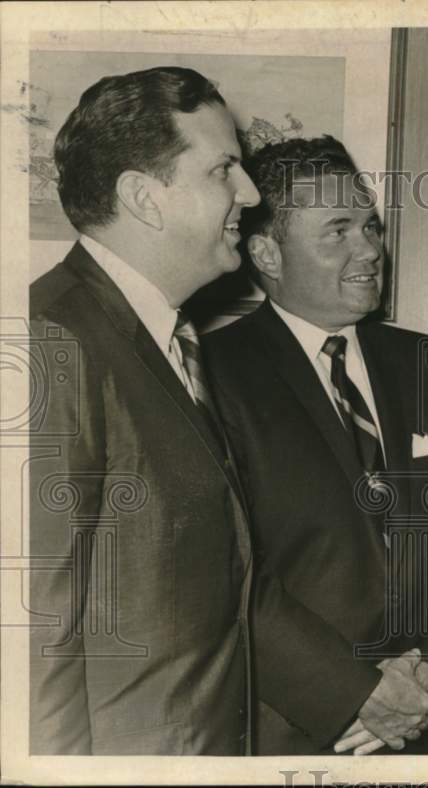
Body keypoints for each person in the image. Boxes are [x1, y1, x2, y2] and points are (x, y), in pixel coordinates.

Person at [202, 136, 428, 755]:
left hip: (419, 720)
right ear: (268, 252)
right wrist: (353, 693)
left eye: (370, 227)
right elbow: (223, 573)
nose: (370, 249)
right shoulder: (211, 376)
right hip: (293, 729)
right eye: (338, 231)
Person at [29, 67, 260, 754]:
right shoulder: (53, 340)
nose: (249, 193)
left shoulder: (166, 341)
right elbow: (36, 644)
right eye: (224, 170)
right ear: (144, 197)